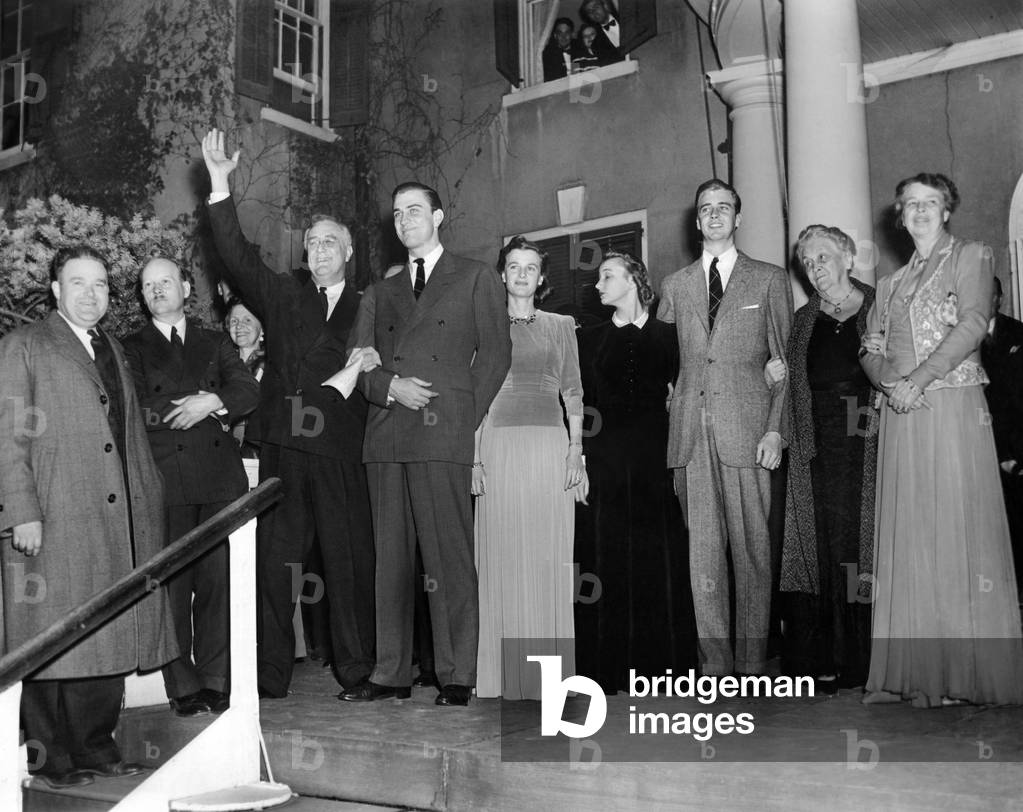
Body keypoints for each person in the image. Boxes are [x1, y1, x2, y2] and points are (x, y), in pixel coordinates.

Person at [201, 129, 378, 698]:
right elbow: (234, 251)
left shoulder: (372, 306)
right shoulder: (281, 296)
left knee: (347, 564)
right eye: (312, 243)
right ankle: (269, 676)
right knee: (276, 568)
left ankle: (356, 671)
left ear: (349, 253)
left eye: (331, 242)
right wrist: (220, 182)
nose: (320, 250)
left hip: (340, 453)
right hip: (283, 448)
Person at [0, 245, 177, 789]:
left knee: (106, 632)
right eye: (78, 283)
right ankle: (48, 760)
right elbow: (7, 436)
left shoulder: (111, 347)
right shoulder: (24, 345)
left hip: (116, 515)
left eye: (100, 284)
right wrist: (21, 512)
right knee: (51, 639)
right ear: (54, 289)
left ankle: (96, 748)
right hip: (55, 514)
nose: (90, 294)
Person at [342, 181, 511, 706]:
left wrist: (462, 418)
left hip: (444, 433)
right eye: (397, 213)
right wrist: (390, 387)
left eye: (415, 210)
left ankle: (457, 674)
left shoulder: (477, 276)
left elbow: (497, 354)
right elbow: (355, 365)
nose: (404, 219)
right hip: (389, 435)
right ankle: (390, 673)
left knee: (448, 557)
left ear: (438, 217)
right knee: (389, 561)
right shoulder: (377, 292)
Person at [860, 172, 1023, 707]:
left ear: (947, 210)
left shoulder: (972, 255)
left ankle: (963, 675)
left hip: (951, 406)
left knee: (956, 532)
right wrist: (890, 382)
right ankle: (916, 673)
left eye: (931, 203)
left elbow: (974, 322)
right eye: (911, 204)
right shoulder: (888, 283)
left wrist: (918, 380)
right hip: (904, 413)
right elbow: (869, 347)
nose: (921, 212)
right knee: (914, 536)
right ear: (900, 215)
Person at [657, 178, 792, 677]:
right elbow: (666, 366)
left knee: (753, 552)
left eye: (724, 208)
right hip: (691, 437)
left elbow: (784, 363)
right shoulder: (674, 285)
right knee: (702, 558)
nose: (714, 215)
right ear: (696, 221)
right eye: (705, 209)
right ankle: (713, 664)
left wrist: (775, 430)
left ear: (738, 217)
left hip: (749, 432)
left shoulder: (769, 279)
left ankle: (753, 662)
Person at [123, 257, 259, 717]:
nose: (157, 290)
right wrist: (197, 406)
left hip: (220, 481)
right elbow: (134, 408)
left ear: (184, 286)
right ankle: (183, 686)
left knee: (218, 583)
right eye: (148, 286)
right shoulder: (130, 348)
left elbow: (248, 391)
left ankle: (218, 681)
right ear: (142, 297)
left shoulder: (216, 340)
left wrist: (215, 399)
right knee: (174, 588)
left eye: (165, 281)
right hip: (164, 481)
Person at [575, 251, 695, 693]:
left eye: (608, 276)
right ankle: (606, 670)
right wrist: (583, 460)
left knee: (655, 555)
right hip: (605, 461)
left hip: (654, 460)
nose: (598, 285)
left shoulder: (671, 337)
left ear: (634, 281)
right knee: (606, 558)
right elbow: (582, 404)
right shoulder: (589, 339)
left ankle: (659, 671)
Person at [473, 236, 586, 699]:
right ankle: (501, 675)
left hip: (548, 448)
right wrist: (474, 456)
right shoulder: (483, 324)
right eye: (514, 266)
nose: (521, 274)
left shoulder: (561, 325)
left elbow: (574, 391)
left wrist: (576, 449)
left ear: (541, 278)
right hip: (498, 447)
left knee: (546, 560)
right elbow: (475, 396)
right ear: (502, 274)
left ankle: (546, 678)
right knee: (500, 556)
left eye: (530, 267)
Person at [776, 225, 876, 692]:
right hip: (815, 440)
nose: (815, 269)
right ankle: (825, 659)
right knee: (821, 548)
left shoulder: (881, 306)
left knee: (863, 546)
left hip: (868, 440)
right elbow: (788, 378)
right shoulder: (801, 320)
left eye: (824, 258)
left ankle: (868, 659)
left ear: (849, 258)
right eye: (808, 262)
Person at [981, 277, 1023, 585]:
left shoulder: (1018, 333)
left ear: (1000, 298)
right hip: (976, 445)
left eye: (990, 295)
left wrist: (1013, 454)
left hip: (1012, 448)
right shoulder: (956, 337)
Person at [225, 298, 266, 457]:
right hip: (226, 453)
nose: (239, 325)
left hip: (260, 451)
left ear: (262, 329)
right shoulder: (221, 365)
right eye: (234, 321)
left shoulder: (273, 365)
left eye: (247, 319)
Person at [579, 0, 623, 64]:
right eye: (589, 11)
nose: (594, 12)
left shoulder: (626, 17)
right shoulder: (596, 45)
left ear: (605, 6)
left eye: (596, 7)